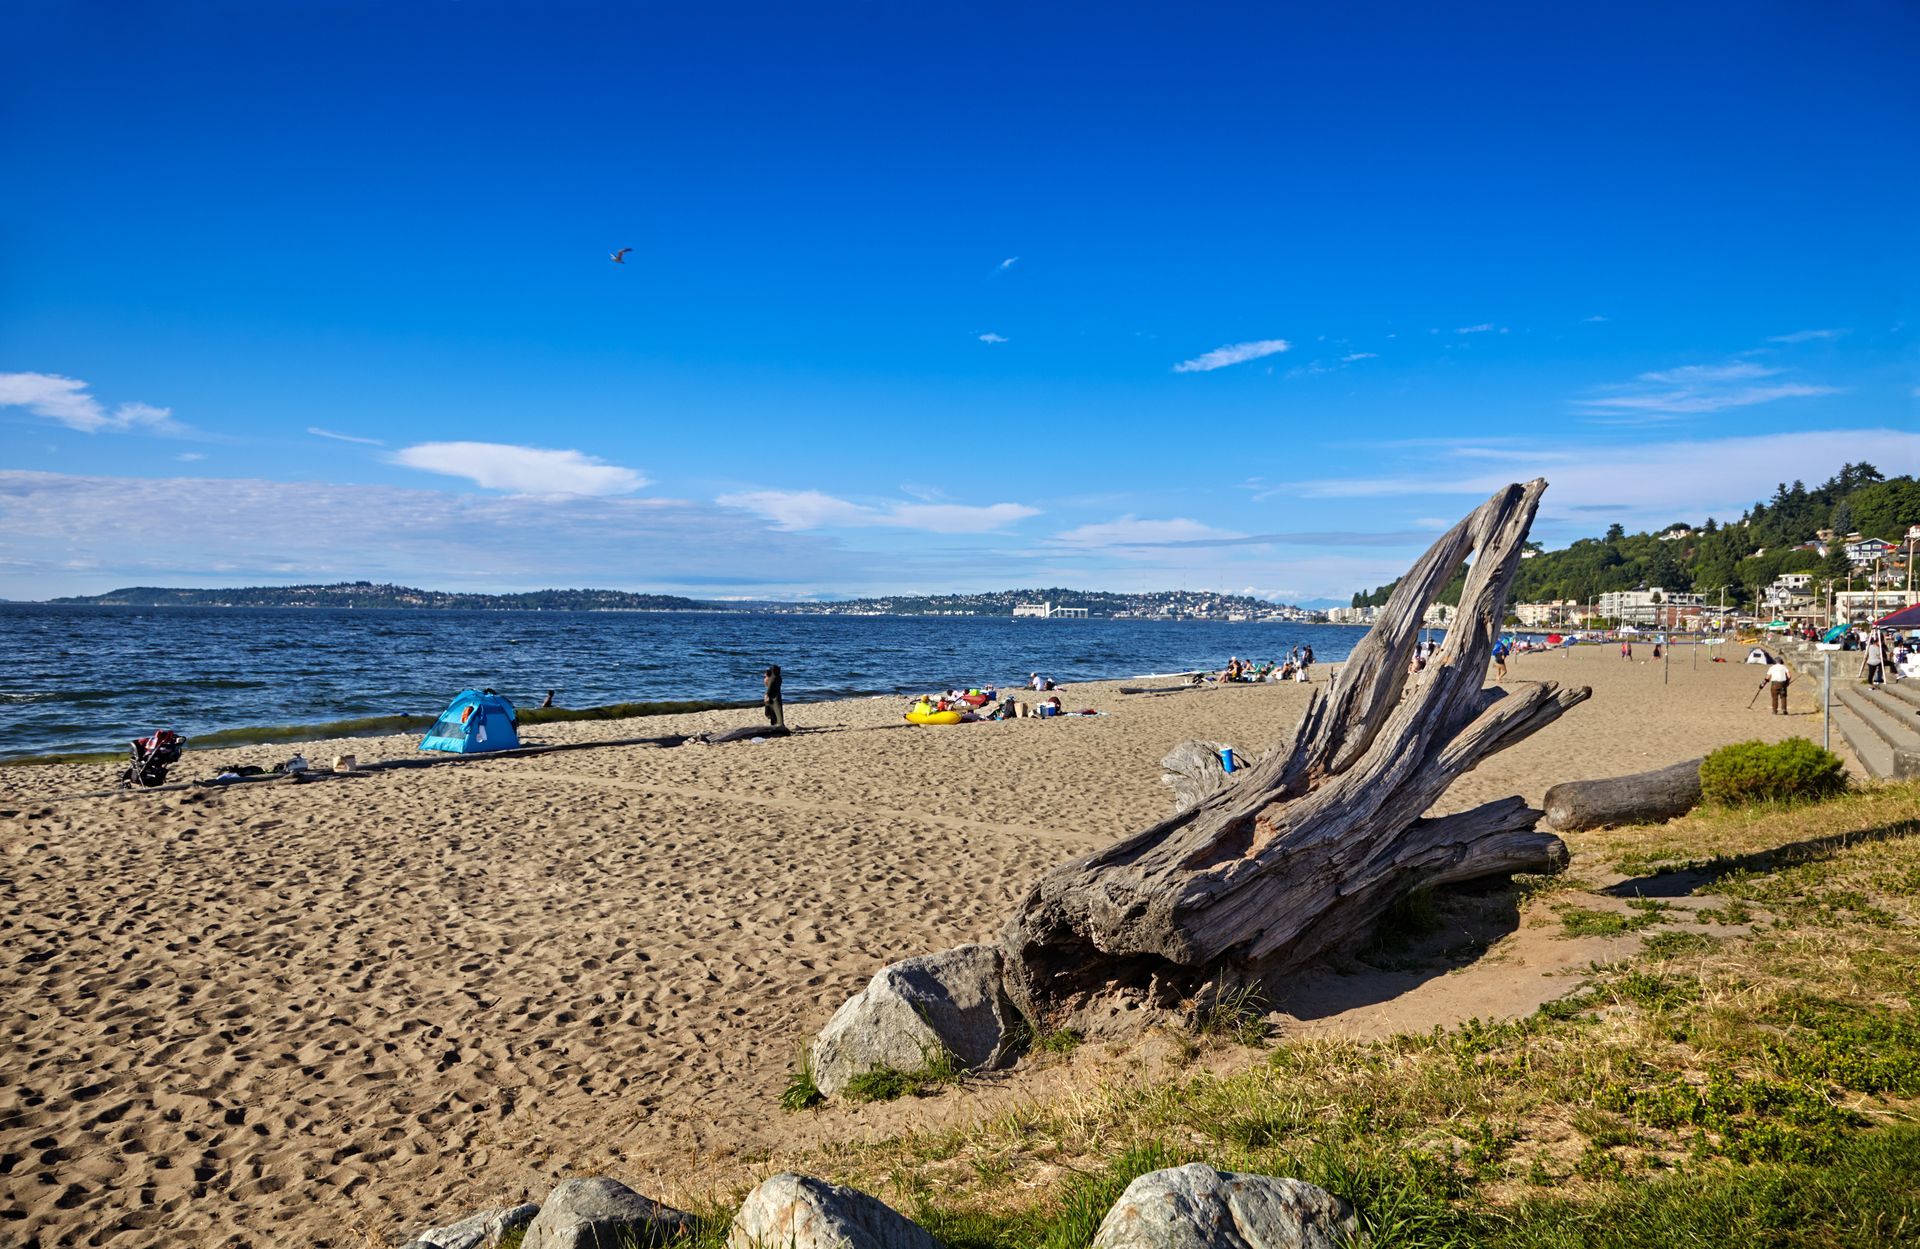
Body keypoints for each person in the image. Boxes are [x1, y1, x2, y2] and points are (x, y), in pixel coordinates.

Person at [762, 664, 785, 730]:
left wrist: (766, 695)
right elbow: (769, 687)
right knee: (776, 712)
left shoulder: (773, 678)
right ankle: (778, 725)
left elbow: (769, 688)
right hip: (775, 696)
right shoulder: (777, 678)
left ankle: (777, 725)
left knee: (774, 712)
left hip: (773, 697)